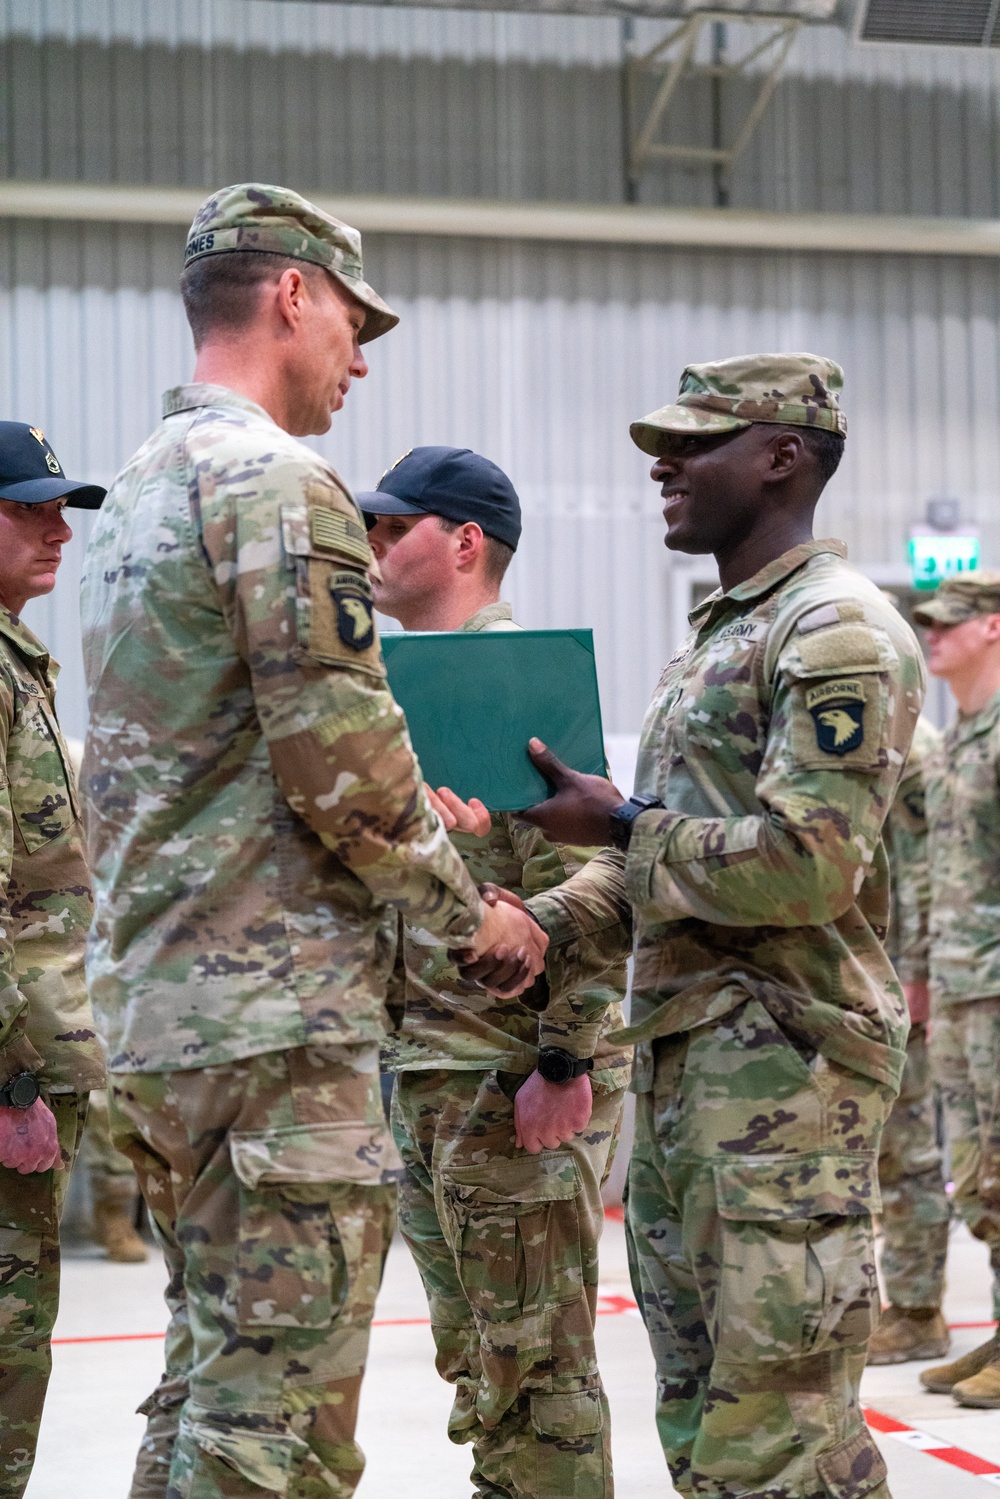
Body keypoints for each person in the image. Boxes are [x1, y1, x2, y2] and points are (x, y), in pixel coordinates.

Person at [79, 184, 545, 1499]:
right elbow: (346, 767)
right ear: (292, 294)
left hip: (163, 1015)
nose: (358, 355)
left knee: (209, 1386)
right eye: (353, 321)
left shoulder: (129, 500)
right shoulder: (279, 486)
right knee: (280, 1420)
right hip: (274, 1032)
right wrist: (481, 916)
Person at [463, 354, 926, 1498]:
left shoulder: (834, 632)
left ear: (781, 456)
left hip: (784, 1080)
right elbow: (660, 864)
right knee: (718, 1417)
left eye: (692, 443)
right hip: (693, 1073)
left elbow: (804, 865)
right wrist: (542, 920)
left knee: (770, 1425)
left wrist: (620, 818)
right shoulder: (719, 638)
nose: (662, 466)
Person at [361, 446, 630, 1499]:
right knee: (479, 1363)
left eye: (397, 527)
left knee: (540, 1373)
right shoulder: (401, 690)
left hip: (506, 1083)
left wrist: (565, 1055)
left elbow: (598, 876)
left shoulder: (515, 679)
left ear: (463, 542)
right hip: (423, 1073)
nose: (376, 546)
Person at [0, 423, 106, 1496]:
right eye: (26, 507)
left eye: (60, 508)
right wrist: (13, 1076)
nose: (55, 530)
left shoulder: (17, 661)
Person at [911, 573, 1000, 1408]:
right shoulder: (959, 737)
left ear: (994, 629)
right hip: (960, 984)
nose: (932, 633)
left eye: (949, 622)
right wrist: (925, 974)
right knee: (977, 1177)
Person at [866, 704, 950, 1365]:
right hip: (868, 965)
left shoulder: (910, 742)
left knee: (906, 1143)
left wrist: (916, 972)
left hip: (898, 969)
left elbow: (926, 864)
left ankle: (919, 1307)